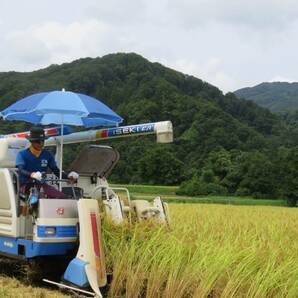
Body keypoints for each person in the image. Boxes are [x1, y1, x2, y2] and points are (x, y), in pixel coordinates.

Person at [16, 127, 79, 199]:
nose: (41, 143)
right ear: (31, 141)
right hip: (25, 186)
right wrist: (32, 174)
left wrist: (68, 176)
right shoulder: (22, 154)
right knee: (37, 198)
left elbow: (56, 171)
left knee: (62, 197)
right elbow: (20, 170)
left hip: (41, 185)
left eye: (42, 141)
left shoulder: (47, 154)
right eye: (38, 141)